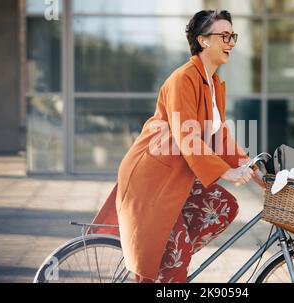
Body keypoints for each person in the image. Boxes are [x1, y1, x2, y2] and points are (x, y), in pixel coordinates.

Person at [91, 9, 263, 283]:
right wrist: (224, 172)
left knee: (223, 207)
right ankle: (169, 266)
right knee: (174, 261)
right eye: (225, 35)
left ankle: (166, 263)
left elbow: (218, 135)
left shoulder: (213, 83)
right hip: (154, 178)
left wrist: (253, 169)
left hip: (176, 175)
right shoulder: (184, 78)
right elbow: (188, 137)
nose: (231, 42)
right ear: (203, 40)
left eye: (234, 36)